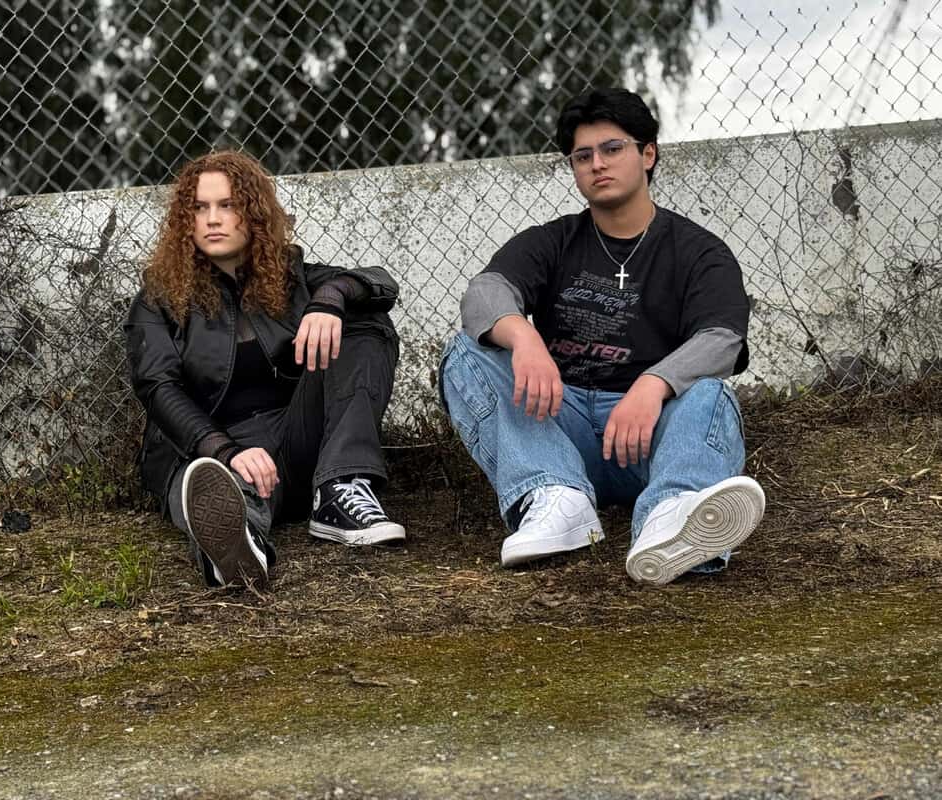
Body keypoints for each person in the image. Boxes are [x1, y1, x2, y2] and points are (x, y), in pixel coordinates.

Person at [439, 88, 765, 585]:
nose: (597, 164)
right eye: (582, 156)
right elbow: (484, 295)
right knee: (467, 351)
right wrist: (524, 341)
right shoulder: (553, 240)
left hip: (650, 434)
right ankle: (556, 498)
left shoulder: (699, 251)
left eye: (612, 149)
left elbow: (722, 338)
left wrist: (653, 385)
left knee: (708, 393)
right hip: (555, 425)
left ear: (647, 153)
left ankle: (672, 515)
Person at [125, 150, 404, 591]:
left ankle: (342, 486)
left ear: (252, 213)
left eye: (228, 205)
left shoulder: (288, 277)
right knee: (215, 486)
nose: (212, 219)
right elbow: (157, 386)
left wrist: (328, 300)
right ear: (186, 220)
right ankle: (238, 546)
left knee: (363, 319)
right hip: (207, 451)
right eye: (200, 207)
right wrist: (226, 449)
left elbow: (379, 282)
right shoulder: (159, 299)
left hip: (296, 443)